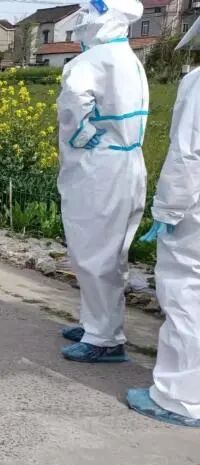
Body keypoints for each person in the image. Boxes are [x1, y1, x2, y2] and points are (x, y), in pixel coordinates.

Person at [57, 0, 148, 363]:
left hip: (99, 168)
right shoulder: (129, 58)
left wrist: (82, 137)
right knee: (111, 252)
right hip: (128, 163)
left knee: (93, 252)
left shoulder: (88, 62)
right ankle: (96, 322)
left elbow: (73, 107)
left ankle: (103, 338)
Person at [125, 19, 200, 428]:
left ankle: (180, 398)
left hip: (194, 214)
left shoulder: (198, 83)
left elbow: (188, 154)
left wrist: (168, 211)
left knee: (185, 294)